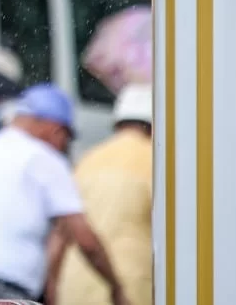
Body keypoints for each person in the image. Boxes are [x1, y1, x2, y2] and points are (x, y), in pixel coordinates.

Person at [0, 84, 129, 305]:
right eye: (67, 137)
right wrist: (116, 286)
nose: (65, 145)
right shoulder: (45, 159)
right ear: (56, 129)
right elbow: (84, 238)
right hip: (4, 291)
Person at [52, 83, 153, 305]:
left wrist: (52, 290)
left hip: (74, 288)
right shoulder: (157, 162)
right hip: (130, 288)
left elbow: (60, 236)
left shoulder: (87, 160)